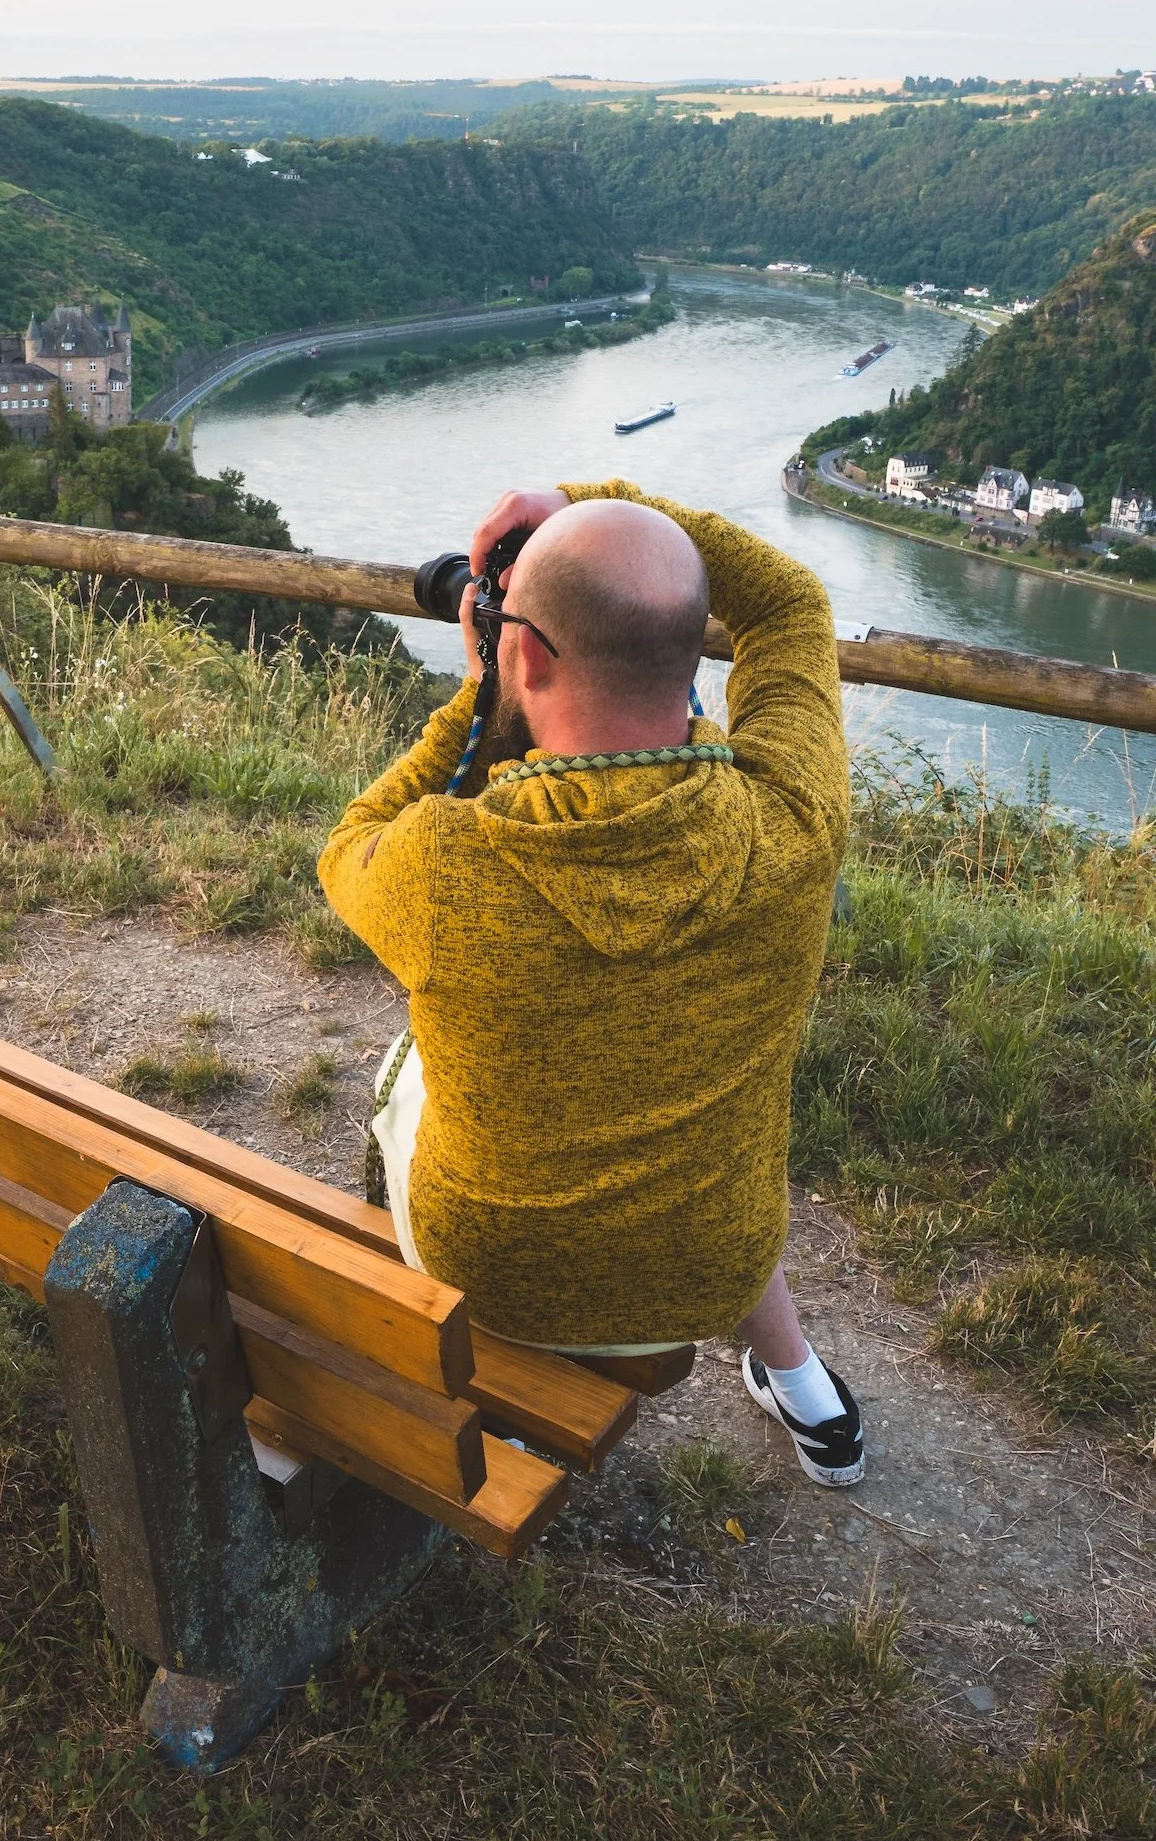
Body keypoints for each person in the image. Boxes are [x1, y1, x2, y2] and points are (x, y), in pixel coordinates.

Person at [317, 480, 864, 1488]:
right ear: (689, 649)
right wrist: (586, 499)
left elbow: (349, 841)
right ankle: (798, 1381)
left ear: (526, 654)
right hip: (715, 1258)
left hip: (490, 1266)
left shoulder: (437, 869)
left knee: (413, 1056)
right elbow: (787, 601)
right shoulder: (793, 820)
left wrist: (479, 701)